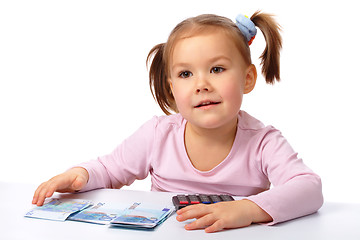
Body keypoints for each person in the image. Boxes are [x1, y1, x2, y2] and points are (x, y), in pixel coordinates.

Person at [32, 11, 323, 233]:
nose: (202, 84)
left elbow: (309, 188)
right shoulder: (158, 134)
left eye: (217, 69)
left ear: (247, 78)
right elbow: (109, 169)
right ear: (171, 87)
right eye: (186, 74)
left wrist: (248, 209)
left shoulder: (263, 142)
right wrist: (81, 174)